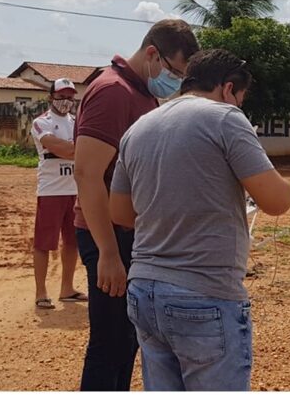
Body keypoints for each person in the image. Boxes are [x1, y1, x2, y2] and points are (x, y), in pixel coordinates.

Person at [109, 49, 290, 391]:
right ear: (228, 90)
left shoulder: (139, 127)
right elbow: (276, 200)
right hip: (204, 293)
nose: (238, 106)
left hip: (145, 290)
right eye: (239, 98)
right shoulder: (225, 118)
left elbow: (120, 212)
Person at [72, 19, 199, 391]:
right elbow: (86, 173)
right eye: (175, 71)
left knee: (127, 341)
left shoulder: (142, 93)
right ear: (151, 54)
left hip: (129, 234)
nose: (175, 81)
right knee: (109, 343)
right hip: (107, 236)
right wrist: (108, 253)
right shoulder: (113, 91)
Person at [30, 78, 86, 309]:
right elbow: (64, 149)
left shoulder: (76, 122)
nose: (66, 101)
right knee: (44, 243)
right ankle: (41, 292)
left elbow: (71, 150)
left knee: (73, 242)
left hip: (76, 189)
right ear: (51, 97)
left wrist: (74, 149)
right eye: (61, 96)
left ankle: (67, 288)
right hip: (51, 190)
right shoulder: (41, 123)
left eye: (70, 96)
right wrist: (81, 148)